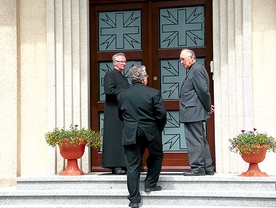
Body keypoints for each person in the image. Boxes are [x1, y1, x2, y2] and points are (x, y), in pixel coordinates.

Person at [118, 65, 167, 208]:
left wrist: (129, 125)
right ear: (144, 78)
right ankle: (150, 185)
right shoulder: (153, 93)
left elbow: (120, 115)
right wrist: (159, 127)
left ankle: (134, 200)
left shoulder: (122, 95)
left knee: (132, 165)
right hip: (151, 131)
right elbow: (162, 114)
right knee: (156, 155)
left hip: (131, 132)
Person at [179, 49, 215, 176]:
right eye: (180, 59)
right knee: (200, 139)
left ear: (191, 57)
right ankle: (207, 167)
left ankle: (198, 168)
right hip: (193, 111)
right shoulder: (194, 69)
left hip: (192, 111)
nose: (181, 62)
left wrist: (207, 106)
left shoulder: (197, 69)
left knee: (194, 140)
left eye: (183, 59)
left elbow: (203, 91)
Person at [102, 52, 130, 174]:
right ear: (114, 63)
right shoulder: (110, 75)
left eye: (124, 61)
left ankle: (123, 163)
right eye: (121, 61)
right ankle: (115, 165)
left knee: (122, 137)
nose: (123, 64)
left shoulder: (123, 76)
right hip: (113, 111)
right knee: (114, 138)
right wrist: (126, 92)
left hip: (122, 110)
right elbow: (109, 91)